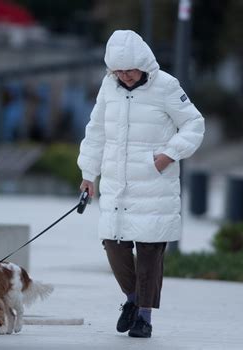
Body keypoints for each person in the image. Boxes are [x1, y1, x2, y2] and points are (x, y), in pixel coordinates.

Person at [77, 30, 204, 338]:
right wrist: (88, 174)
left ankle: (144, 317)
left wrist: (168, 155)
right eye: (119, 71)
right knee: (113, 245)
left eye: (130, 70)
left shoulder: (167, 86)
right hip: (117, 184)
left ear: (144, 64)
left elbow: (194, 123)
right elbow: (96, 131)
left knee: (149, 252)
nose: (126, 76)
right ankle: (133, 300)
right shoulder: (109, 87)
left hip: (154, 184)